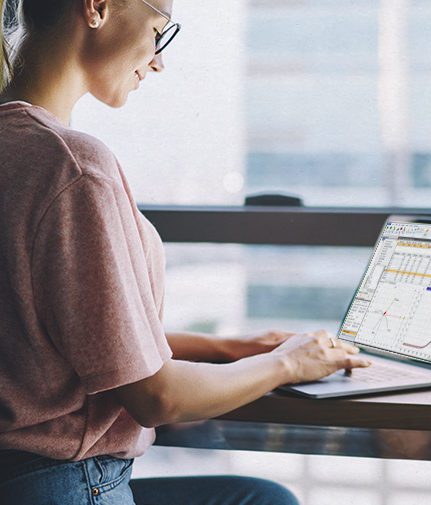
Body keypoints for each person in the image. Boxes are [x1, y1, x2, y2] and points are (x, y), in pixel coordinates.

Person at [0, 0, 372, 503]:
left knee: (258, 498)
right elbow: (155, 396)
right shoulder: (72, 166)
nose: (157, 60)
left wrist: (230, 349)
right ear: (97, 7)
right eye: (158, 31)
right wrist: (289, 363)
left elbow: (57, 338)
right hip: (63, 482)